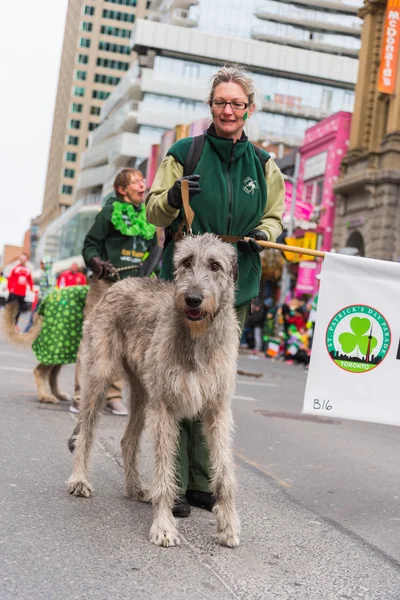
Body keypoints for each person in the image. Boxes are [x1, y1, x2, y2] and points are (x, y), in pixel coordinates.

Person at [146, 65, 285, 517]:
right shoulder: (184, 153)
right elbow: (153, 212)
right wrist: (173, 197)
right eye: (221, 102)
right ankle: (179, 485)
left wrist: (261, 229)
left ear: (249, 109)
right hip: (187, 287)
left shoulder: (264, 164)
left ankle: (206, 484)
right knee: (178, 381)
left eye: (237, 103)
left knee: (213, 388)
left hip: (234, 288)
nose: (229, 110)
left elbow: (276, 217)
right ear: (211, 105)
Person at [71, 168, 162, 416]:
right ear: (122, 190)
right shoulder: (110, 212)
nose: (142, 184)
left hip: (133, 290)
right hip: (106, 285)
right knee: (94, 340)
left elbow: (154, 251)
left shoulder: (149, 217)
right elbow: (90, 244)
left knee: (126, 343)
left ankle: (113, 396)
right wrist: (96, 262)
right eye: (135, 181)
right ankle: (82, 396)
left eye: (143, 180)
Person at [24, 255, 56, 333]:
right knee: (34, 316)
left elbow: (51, 288)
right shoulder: (45, 273)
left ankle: (28, 332)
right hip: (41, 299)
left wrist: (45, 298)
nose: (41, 265)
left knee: (39, 317)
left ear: (47, 264)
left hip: (45, 301)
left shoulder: (49, 274)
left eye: (42, 263)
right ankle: (28, 332)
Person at [6, 253, 34, 326]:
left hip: (22, 293)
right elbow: (10, 279)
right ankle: (8, 322)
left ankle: (15, 324)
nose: (22, 261)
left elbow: (30, 280)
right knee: (11, 308)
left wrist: (31, 288)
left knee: (19, 309)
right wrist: (10, 289)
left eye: (24, 259)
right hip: (14, 292)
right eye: (21, 259)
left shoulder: (27, 270)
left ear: (26, 260)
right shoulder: (15, 268)